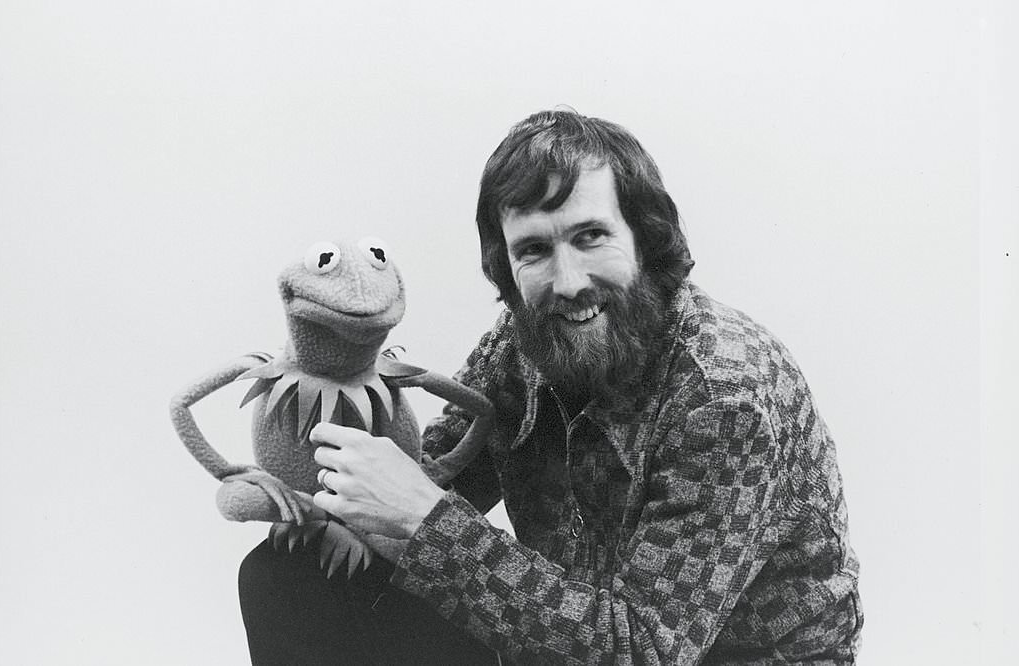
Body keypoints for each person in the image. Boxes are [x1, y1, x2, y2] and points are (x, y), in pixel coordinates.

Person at [265, 109, 863, 664]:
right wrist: (324, 486)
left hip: (722, 659)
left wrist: (423, 520)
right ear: (507, 265)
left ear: (645, 238)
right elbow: (441, 471)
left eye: (590, 237)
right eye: (534, 250)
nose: (568, 281)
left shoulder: (726, 394)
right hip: (568, 639)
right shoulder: (526, 338)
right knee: (287, 575)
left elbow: (646, 649)